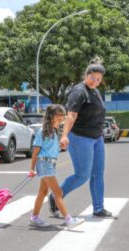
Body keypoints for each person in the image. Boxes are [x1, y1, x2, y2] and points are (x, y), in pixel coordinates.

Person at [49, 57, 115, 219]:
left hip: (97, 138)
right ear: (86, 75)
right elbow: (70, 116)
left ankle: (98, 208)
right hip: (80, 137)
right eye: (92, 78)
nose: (95, 81)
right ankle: (56, 196)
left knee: (98, 173)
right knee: (83, 174)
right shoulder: (79, 91)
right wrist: (64, 136)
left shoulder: (96, 92)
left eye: (98, 79)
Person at [28, 104, 85, 229]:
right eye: (59, 115)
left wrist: (60, 147)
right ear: (51, 116)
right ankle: (69, 220)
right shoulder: (42, 131)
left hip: (49, 163)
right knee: (58, 192)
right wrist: (32, 168)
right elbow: (36, 151)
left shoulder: (54, 132)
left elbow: (49, 149)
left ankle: (34, 217)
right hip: (44, 163)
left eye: (63, 115)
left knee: (43, 192)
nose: (62, 117)